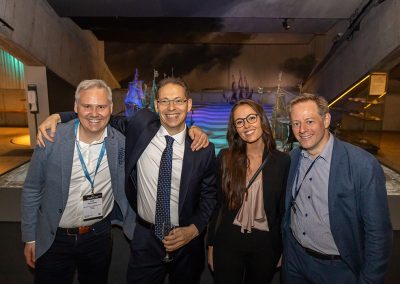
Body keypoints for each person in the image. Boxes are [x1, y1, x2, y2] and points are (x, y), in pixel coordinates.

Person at [37, 77, 216, 284]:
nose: (171, 107)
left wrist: (193, 230)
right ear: (156, 106)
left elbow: (210, 196)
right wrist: (58, 116)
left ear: (189, 104)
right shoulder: (141, 127)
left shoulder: (203, 149)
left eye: (178, 100)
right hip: (145, 239)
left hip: (186, 242)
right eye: (164, 101)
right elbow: (100, 117)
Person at [21, 79, 136, 284]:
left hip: (98, 236)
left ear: (110, 108)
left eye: (101, 106)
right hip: (54, 237)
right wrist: (30, 237)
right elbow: (32, 188)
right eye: (87, 106)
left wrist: (192, 131)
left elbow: (158, 127)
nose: (94, 113)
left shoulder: (121, 143)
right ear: (75, 107)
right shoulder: (51, 138)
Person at [282, 93, 393, 283]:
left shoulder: (362, 165)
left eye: (309, 121)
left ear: (326, 120)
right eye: (296, 123)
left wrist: (369, 280)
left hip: (337, 270)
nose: (302, 130)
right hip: (295, 263)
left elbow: (378, 234)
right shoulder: (292, 158)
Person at [207, 99, 290, 284]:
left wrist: (283, 248)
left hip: (266, 245)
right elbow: (217, 206)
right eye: (239, 121)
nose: (246, 125)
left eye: (251, 118)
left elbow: (283, 212)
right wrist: (211, 244)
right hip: (228, 241)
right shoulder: (225, 158)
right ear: (235, 128)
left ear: (261, 120)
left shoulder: (282, 161)